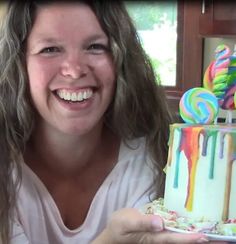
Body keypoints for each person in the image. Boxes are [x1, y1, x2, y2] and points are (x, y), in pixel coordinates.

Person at [0, 1, 212, 243]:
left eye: (95, 47)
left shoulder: (151, 160)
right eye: (50, 49)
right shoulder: (5, 169)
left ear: (120, 61)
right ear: (20, 65)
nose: (74, 70)